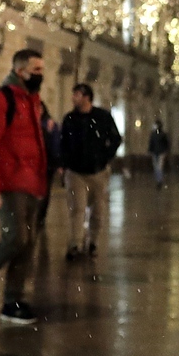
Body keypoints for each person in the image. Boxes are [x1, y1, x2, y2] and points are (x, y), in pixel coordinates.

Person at [0, 48, 49, 326]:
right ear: (20, 71)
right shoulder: (0, 100)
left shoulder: (32, 100)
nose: (40, 75)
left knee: (28, 243)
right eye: (36, 70)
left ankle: (14, 300)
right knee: (15, 238)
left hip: (31, 182)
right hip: (10, 182)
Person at [60, 83, 121, 260]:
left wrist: (105, 157)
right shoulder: (70, 119)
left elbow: (115, 138)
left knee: (98, 210)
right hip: (76, 171)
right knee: (77, 209)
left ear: (87, 97)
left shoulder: (102, 117)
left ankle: (92, 242)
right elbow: (63, 143)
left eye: (77, 95)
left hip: (98, 171)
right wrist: (64, 163)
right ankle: (75, 245)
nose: (73, 98)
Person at [35, 100, 63, 230]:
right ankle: (35, 215)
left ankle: (40, 215)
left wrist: (57, 162)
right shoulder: (29, 123)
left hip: (47, 163)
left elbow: (55, 144)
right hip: (33, 163)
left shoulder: (49, 124)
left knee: (45, 191)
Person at [148, 119, 171, 189]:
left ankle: (159, 180)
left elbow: (151, 143)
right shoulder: (160, 134)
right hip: (158, 152)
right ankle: (159, 180)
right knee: (158, 167)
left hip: (159, 152)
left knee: (158, 167)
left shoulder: (155, 134)